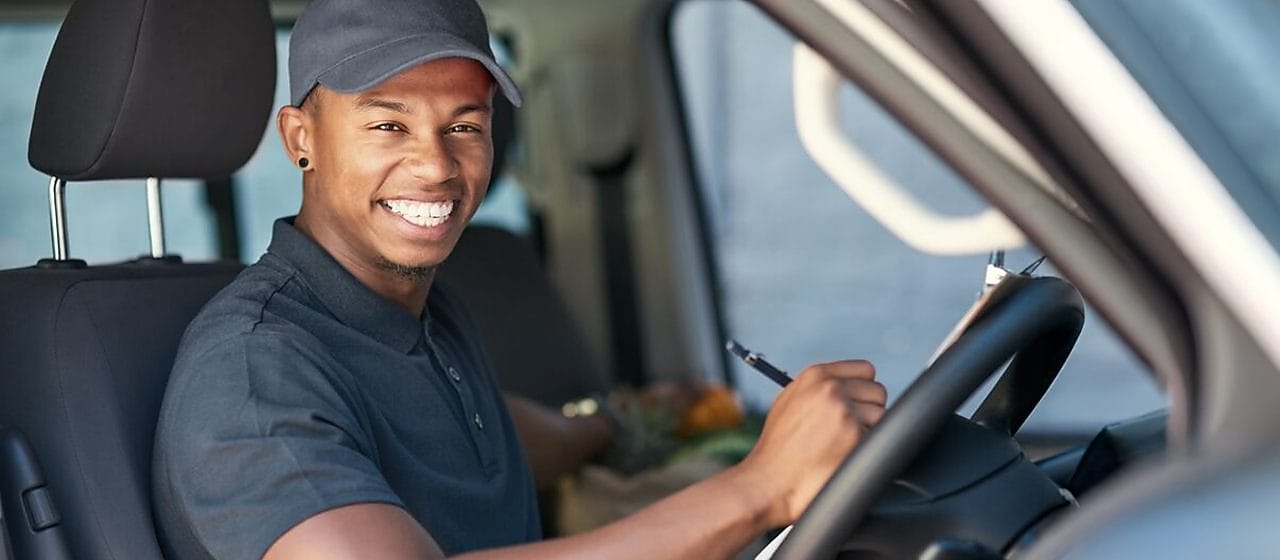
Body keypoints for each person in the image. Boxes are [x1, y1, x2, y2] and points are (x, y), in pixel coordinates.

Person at [151, 0, 888, 558]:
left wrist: (613, 423)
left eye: (465, 126)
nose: (437, 165)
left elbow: (482, 439)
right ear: (300, 139)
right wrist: (760, 488)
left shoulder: (420, 309)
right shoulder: (252, 376)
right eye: (388, 126)